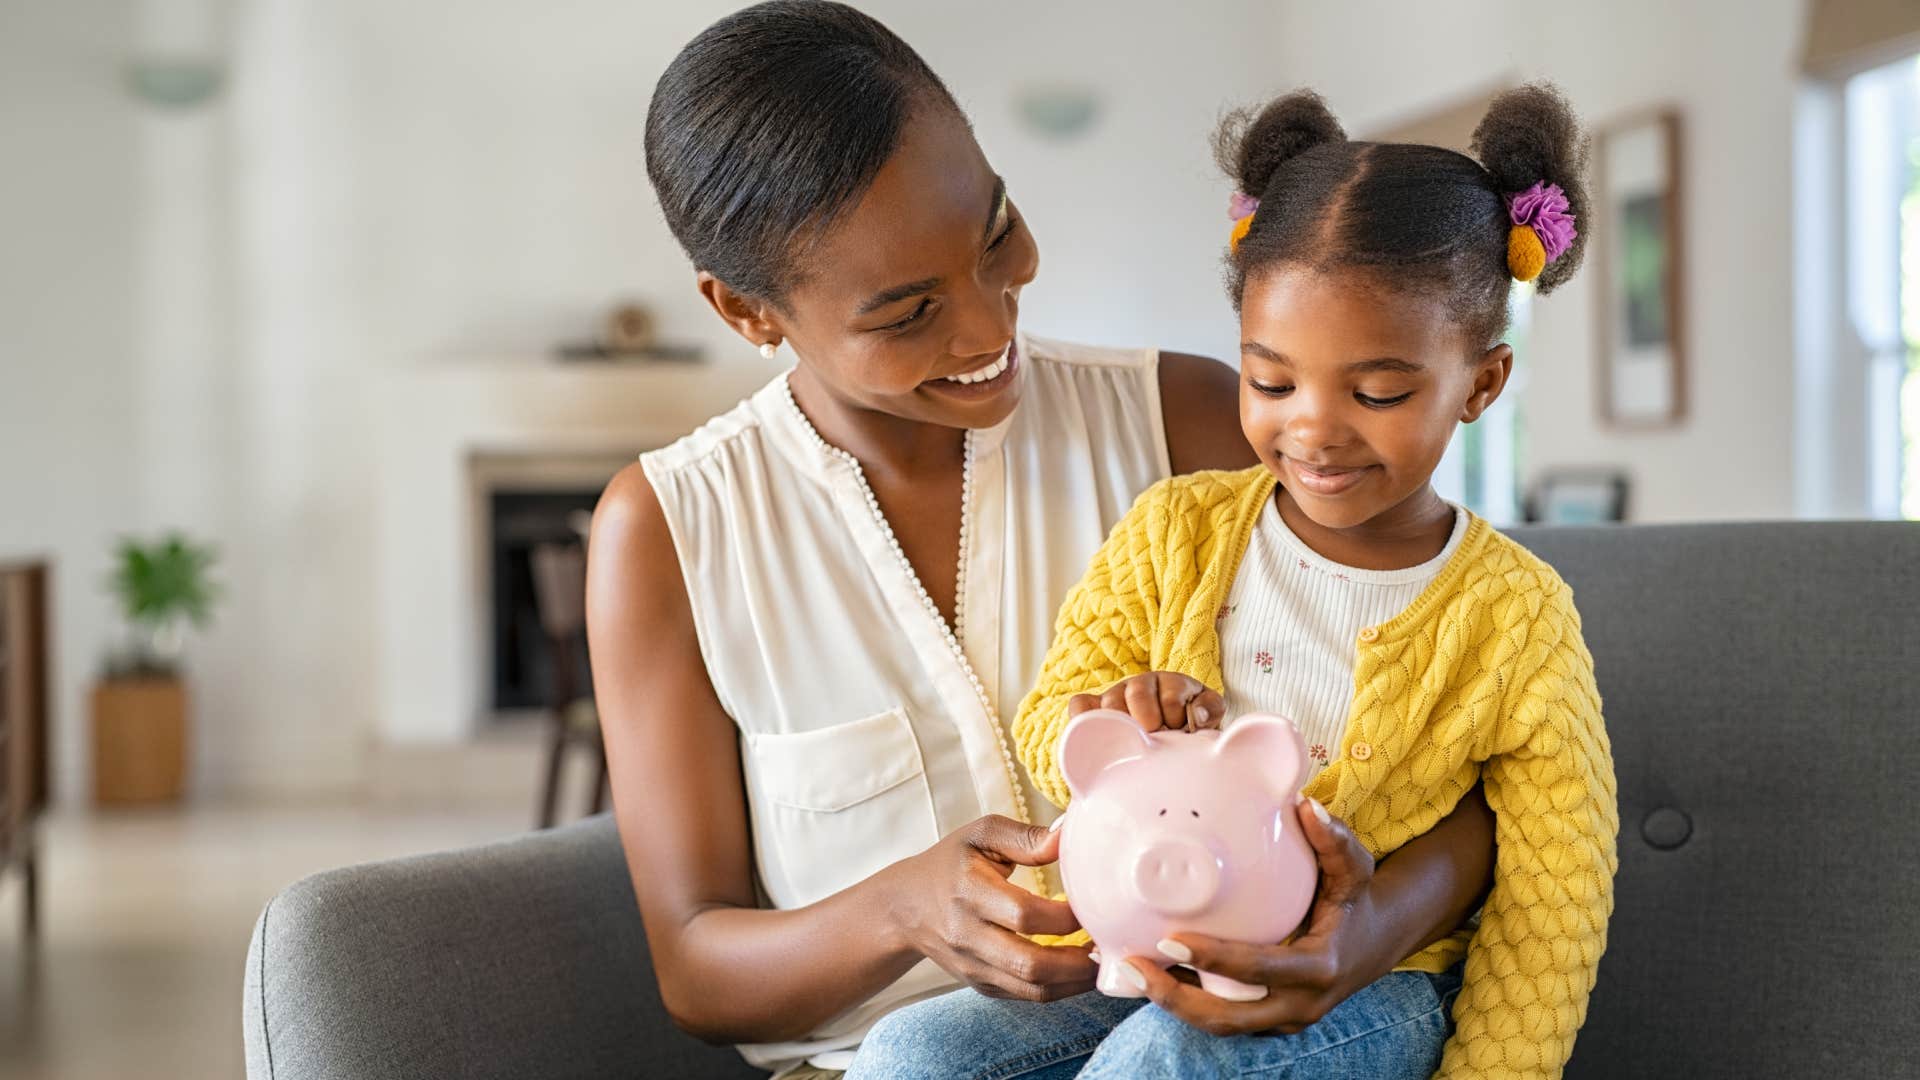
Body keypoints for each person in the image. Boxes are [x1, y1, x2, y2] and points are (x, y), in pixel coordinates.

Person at [586, 4, 1497, 1076]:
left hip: (1226, 1036)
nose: (988, 327)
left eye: (996, 233)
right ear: (747, 313)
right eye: (907, 311)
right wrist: (900, 912)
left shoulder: (1191, 426)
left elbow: (1478, 739)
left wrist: (1366, 936)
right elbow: (696, 968)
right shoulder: (668, 531)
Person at [852, 84, 1617, 1079]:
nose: (1313, 428)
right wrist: (1123, 722)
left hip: (1374, 993)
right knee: (913, 1052)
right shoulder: (1178, 529)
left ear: (1481, 384)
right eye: (1271, 382)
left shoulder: (1516, 618)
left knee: (1156, 1068)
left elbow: (1557, 894)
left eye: (1378, 392)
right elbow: (1053, 725)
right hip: (1147, 956)